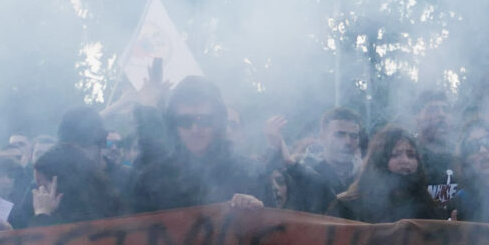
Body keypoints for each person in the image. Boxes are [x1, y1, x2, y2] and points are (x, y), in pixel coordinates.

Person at [131, 78, 267, 214]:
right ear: (174, 125)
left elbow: (277, 228)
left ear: (218, 122)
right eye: (185, 121)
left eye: (204, 120)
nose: (195, 129)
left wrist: (258, 214)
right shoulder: (152, 178)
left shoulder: (250, 173)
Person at [328, 127, 441, 223]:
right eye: (395, 155)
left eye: (411, 155)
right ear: (378, 161)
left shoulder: (427, 205)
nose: (405, 160)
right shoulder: (348, 206)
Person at [282, 107, 366, 215]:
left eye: (353, 136)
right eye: (339, 134)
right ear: (322, 138)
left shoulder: (365, 175)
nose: (348, 142)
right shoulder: (300, 175)